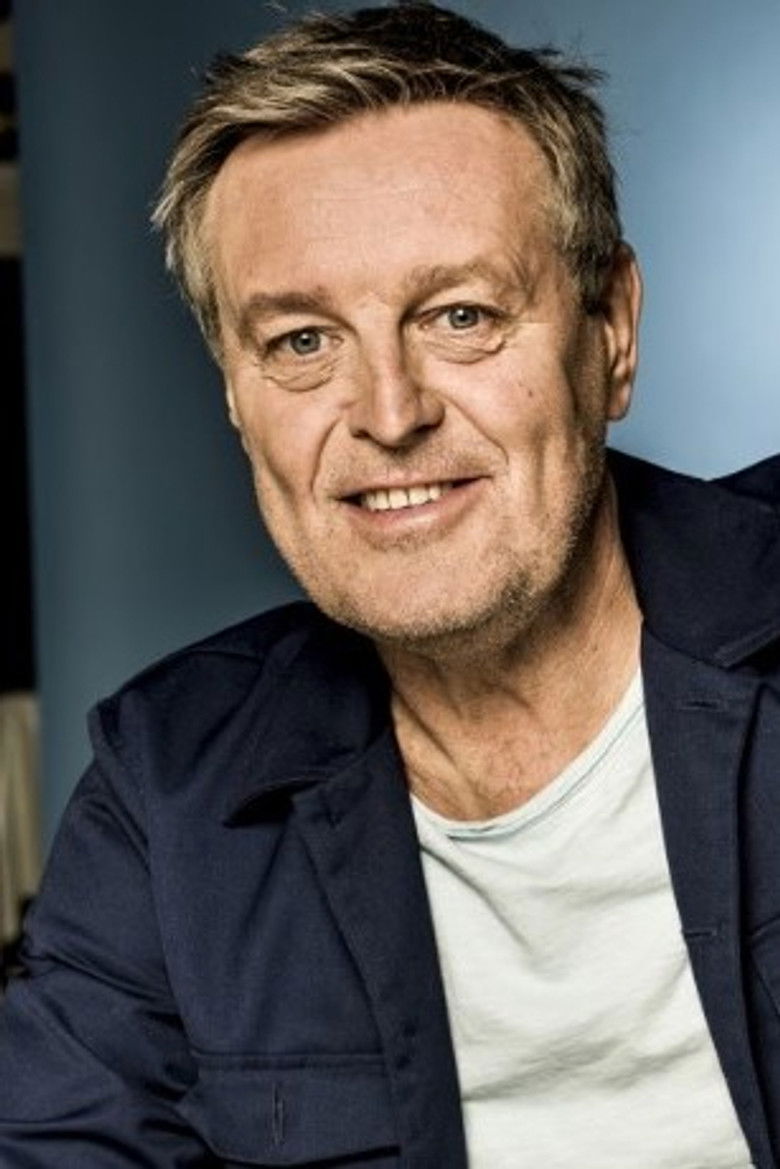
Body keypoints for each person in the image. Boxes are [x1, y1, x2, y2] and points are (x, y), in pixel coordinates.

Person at [1, 3, 779, 1166]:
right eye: (303, 341)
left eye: (460, 315)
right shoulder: (169, 786)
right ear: (234, 394)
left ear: (611, 330)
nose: (390, 412)